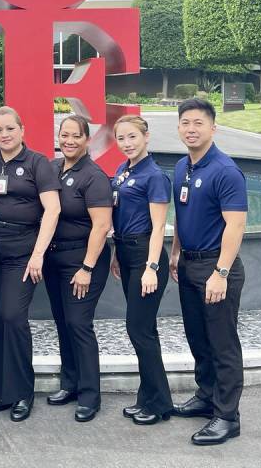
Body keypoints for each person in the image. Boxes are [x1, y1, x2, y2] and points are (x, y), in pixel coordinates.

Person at [0, 106, 61, 422]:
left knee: (12, 316)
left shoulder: (38, 163)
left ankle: (23, 392)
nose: (4, 135)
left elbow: (52, 210)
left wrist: (38, 254)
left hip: (23, 252)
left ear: (22, 130)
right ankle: (2, 392)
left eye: (10, 128)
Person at [170, 98, 247, 446]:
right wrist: (175, 252)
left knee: (222, 344)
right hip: (188, 263)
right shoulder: (181, 168)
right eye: (185, 122)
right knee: (198, 338)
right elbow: (184, 214)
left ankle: (227, 416)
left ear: (213, 128)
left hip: (216, 266)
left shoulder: (225, 170)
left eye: (198, 123)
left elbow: (235, 226)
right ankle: (207, 396)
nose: (191, 129)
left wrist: (221, 273)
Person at [44, 115, 113, 422]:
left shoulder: (93, 176)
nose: (69, 141)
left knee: (79, 324)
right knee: (63, 322)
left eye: (76, 136)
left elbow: (101, 225)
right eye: (64, 135)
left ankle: (89, 395)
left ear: (87, 139)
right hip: (54, 259)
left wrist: (86, 267)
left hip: (82, 262)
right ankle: (69, 384)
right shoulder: (54, 168)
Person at [110, 115, 173, 425]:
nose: (127, 143)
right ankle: (147, 397)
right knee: (144, 330)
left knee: (138, 329)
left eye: (132, 137)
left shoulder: (155, 176)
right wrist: (115, 255)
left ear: (146, 137)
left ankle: (159, 403)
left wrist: (151, 267)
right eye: (121, 138)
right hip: (126, 251)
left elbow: (159, 226)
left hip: (146, 255)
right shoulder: (123, 171)